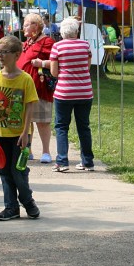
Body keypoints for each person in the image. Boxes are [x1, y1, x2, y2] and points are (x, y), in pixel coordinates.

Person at [0, 35, 40, 220]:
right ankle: (11, 208)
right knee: (4, 172)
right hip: (0, 134)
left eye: (5, 52)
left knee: (18, 171)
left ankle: (28, 201)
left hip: (20, 135)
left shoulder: (25, 80)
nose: (0, 55)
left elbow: (29, 107)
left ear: (17, 55)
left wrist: (26, 133)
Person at [49, 18, 94, 171]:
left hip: (64, 92)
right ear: (76, 31)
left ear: (62, 32)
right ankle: (88, 162)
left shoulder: (57, 47)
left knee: (61, 127)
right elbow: (87, 67)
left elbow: (54, 73)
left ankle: (62, 161)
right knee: (84, 127)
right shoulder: (85, 45)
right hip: (85, 92)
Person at [18, 13, 55, 164]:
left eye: (26, 24)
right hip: (23, 88)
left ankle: (46, 151)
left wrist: (42, 63)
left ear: (36, 26)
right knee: (26, 122)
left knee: (42, 121)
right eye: (24, 24)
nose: (23, 27)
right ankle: (28, 150)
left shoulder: (47, 41)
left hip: (40, 87)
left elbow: (55, 61)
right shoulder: (27, 42)